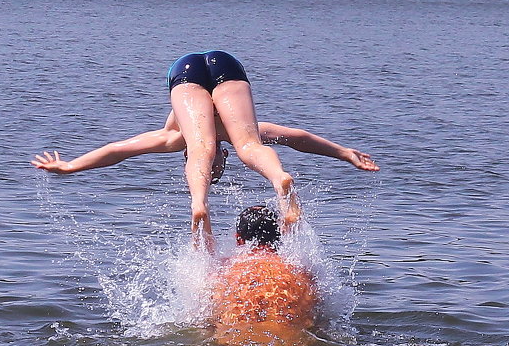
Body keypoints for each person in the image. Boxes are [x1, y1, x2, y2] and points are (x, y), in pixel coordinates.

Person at [32, 50, 379, 246]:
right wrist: (344, 152)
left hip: (187, 73)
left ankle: (200, 204)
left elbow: (121, 149)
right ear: (223, 159)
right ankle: (279, 180)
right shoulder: (219, 135)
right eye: (215, 168)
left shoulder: (177, 138)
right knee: (250, 143)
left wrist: (72, 166)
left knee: (204, 145)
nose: (212, 162)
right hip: (222, 64)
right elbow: (298, 138)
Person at [211, 204, 318, 346]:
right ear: (279, 236)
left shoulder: (224, 270)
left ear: (239, 239)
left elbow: (207, 316)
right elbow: (317, 317)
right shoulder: (301, 271)